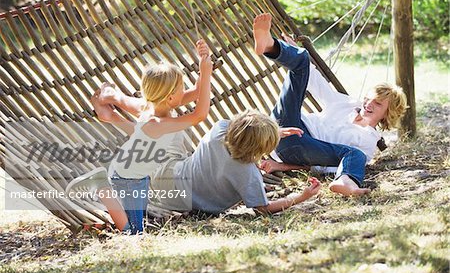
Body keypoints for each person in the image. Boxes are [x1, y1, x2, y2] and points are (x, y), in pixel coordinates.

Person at [66, 39, 212, 234]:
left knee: (137, 221)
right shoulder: (159, 123)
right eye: (180, 88)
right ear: (169, 97)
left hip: (136, 175)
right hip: (128, 179)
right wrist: (207, 74)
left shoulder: (150, 106)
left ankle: (108, 109)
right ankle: (101, 186)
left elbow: (195, 93)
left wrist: (204, 63)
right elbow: (200, 114)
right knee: (134, 231)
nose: (184, 91)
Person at [253, 13, 407, 196]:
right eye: (369, 98)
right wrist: (292, 53)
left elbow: (324, 166)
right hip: (283, 128)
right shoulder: (346, 104)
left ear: (387, 114)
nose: (369, 104)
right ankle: (269, 45)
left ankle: (346, 182)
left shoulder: (367, 141)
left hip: (302, 146)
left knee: (355, 155)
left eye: (378, 104)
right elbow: (316, 82)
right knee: (302, 59)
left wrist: (282, 166)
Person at [149, 109, 321, 215]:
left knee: (173, 128)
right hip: (177, 201)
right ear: (260, 149)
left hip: (166, 176)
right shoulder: (247, 173)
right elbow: (263, 208)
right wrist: (302, 196)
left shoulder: (219, 129)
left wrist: (274, 132)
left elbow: (243, 129)